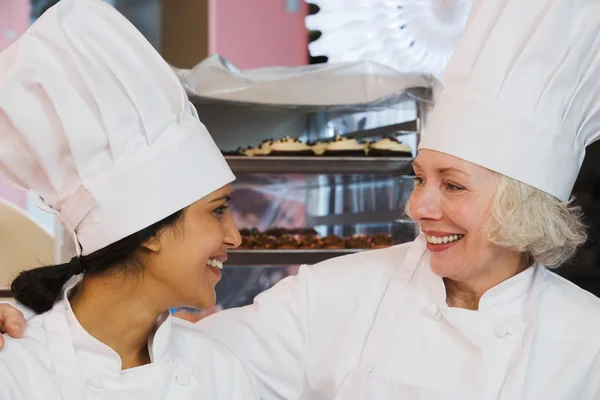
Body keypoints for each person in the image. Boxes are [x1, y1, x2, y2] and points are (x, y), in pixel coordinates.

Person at [3, 0, 600, 398]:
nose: (420, 206)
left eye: (453, 185)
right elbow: (157, 357)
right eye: (420, 178)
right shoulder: (343, 293)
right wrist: (29, 320)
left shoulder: (587, 339)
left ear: (524, 206)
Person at [0, 0, 257, 399]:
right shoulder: (15, 369)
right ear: (150, 229)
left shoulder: (217, 368)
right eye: (218, 211)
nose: (235, 237)